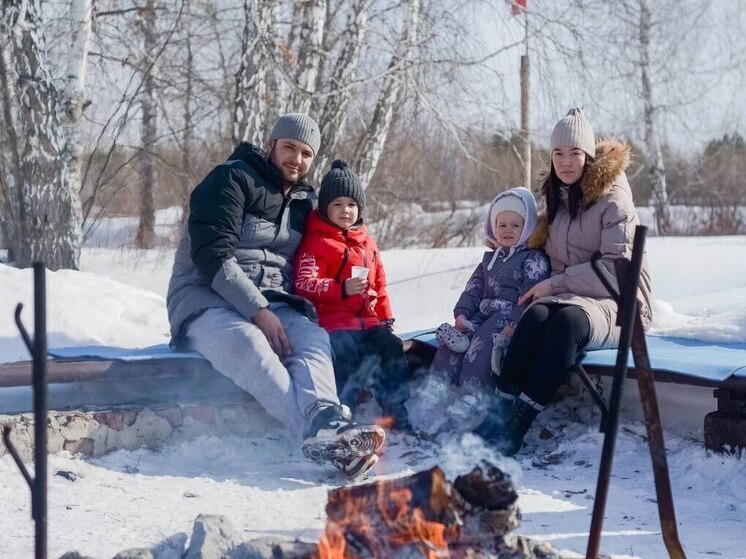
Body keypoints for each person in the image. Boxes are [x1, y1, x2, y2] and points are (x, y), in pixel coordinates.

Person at [166, 113, 385, 478]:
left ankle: (327, 417)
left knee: (313, 337)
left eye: (305, 153)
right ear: (270, 145)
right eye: (289, 148)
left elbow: (332, 244)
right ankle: (317, 436)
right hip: (205, 297)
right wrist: (258, 310)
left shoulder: (304, 201)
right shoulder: (230, 179)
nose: (296, 159)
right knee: (251, 342)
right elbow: (212, 256)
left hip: (274, 301)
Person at [473, 107, 653, 455]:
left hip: (620, 304)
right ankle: (497, 413)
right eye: (558, 153)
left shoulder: (614, 200)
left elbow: (617, 269)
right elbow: (554, 265)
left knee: (565, 324)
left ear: (588, 156)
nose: (566, 162)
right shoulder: (557, 199)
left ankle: (518, 423)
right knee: (535, 318)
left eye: (574, 154)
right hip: (570, 295)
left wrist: (554, 286)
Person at [293, 160, 412, 433]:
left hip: (368, 323)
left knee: (391, 347)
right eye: (337, 204)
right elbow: (304, 283)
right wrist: (341, 288)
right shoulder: (316, 242)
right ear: (325, 207)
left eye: (351, 204)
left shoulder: (368, 243)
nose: (345, 210)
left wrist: (385, 319)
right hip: (333, 323)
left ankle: (396, 409)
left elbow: (379, 285)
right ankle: (342, 415)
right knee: (344, 352)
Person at [424, 187, 550, 432]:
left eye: (515, 225)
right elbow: (473, 289)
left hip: (509, 317)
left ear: (527, 227)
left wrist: (515, 321)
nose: (508, 231)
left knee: (481, 343)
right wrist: (462, 314)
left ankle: (471, 395)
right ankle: (436, 387)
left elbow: (530, 295)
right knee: (455, 341)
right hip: (483, 314)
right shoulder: (488, 259)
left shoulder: (533, 260)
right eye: (502, 225)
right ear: (493, 227)